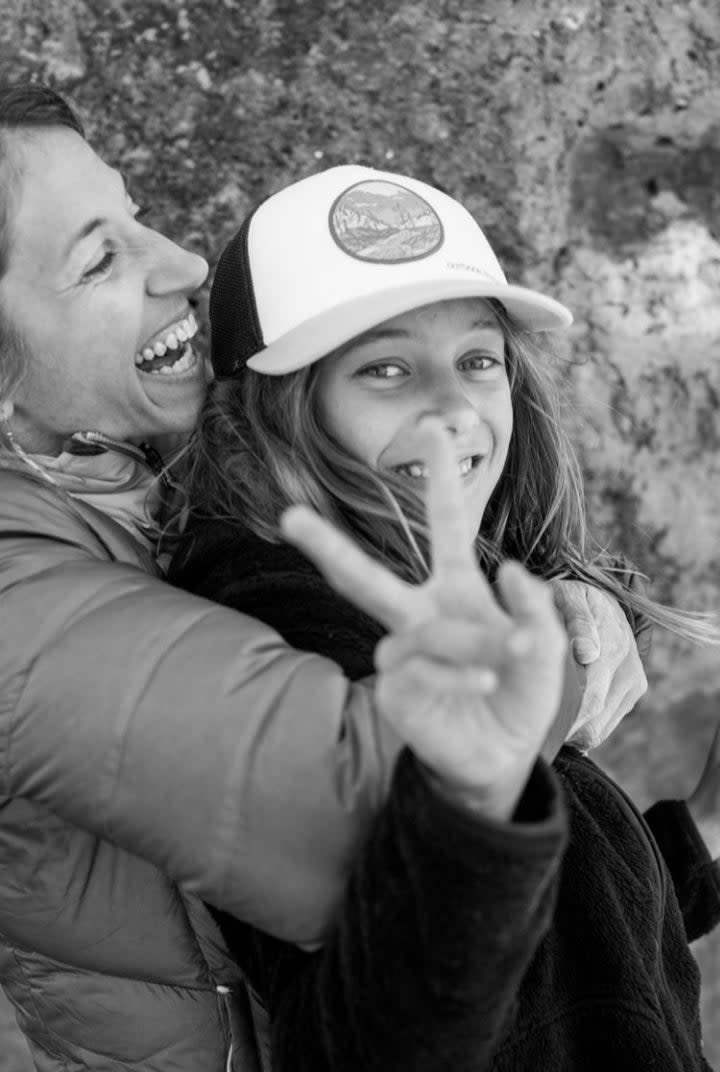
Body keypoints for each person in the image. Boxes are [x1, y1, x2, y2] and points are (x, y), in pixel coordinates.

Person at [0, 82, 658, 1072]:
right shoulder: (49, 597)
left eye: (135, 215)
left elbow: (570, 935)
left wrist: (589, 600)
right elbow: (383, 852)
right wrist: (553, 668)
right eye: (98, 257)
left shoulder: (116, 462)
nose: (183, 262)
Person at [170, 164, 720, 1069]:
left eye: (478, 360)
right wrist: (475, 790)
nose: (455, 409)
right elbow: (381, 1028)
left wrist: (701, 831)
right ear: (265, 418)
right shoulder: (274, 660)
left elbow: (561, 961)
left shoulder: (449, 595)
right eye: (385, 368)